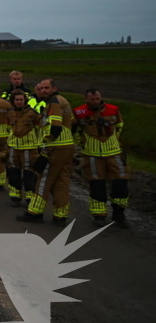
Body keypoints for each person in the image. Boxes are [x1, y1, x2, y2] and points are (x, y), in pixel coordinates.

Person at [17, 78, 75, 225]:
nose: (43, 91)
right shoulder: (62, 101)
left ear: (54, 88)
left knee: (43, 179)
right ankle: (60, 215)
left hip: (55, 146)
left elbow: (55, 127)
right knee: (61, 181)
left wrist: (45, 149)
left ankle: (35, 213)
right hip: (66, 145)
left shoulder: (54, 103)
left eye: (46, 88)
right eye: (41, 88)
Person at [74, 88, 129, 228]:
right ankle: (99, 215)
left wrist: (115, 140)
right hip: (92, 155)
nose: (95, 101)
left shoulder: (113, 109)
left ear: (101, 97)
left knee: (121, 184)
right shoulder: (79, 112)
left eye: (97, 98)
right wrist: (81, 146)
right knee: (96, 185)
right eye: (92, 99)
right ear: (86, 99)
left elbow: (120, 126)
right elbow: (74, 131)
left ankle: (119, 213)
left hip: (114, 153)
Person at [6, 91, 43, 207]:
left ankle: (30, 197)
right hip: (13, 146)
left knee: (29, 173)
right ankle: (15, 196)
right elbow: (8, 128)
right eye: (17, 100)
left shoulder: (33, 113)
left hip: (29, 147)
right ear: (13, 101)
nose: (19, 102)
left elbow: (40, 128)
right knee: (13, 172)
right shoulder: (10, 113)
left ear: (25, 100)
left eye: (21, 100)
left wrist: (40, 144)